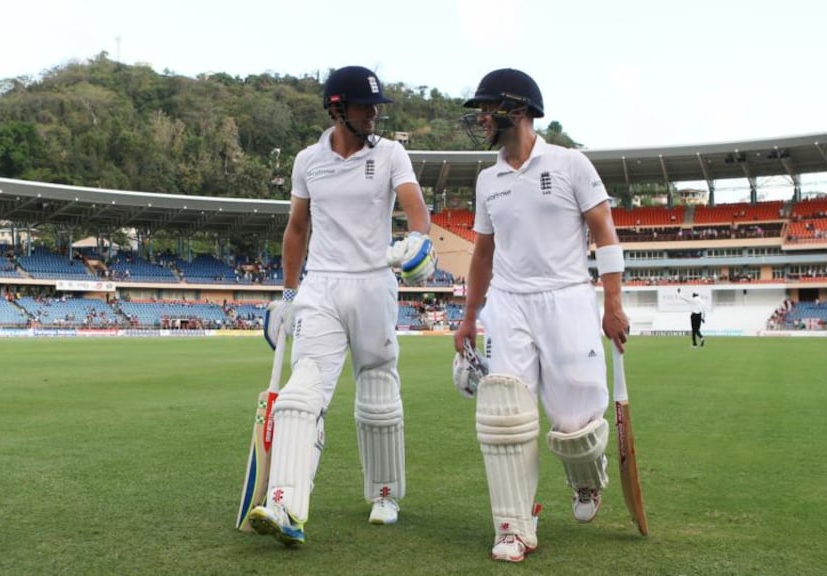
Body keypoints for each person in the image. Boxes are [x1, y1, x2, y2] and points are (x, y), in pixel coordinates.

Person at [246, 65, 436, 546]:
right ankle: (285, 504)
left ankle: (385, 495)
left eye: (376, 107)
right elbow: (297, 228)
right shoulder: (308, 160)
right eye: (364, 106)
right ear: (337, 108)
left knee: (377, 390)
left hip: (374, 281)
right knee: (301, 392)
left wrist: (418, 238)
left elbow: (415, 206)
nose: (373, 114)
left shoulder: (390, 153)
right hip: (322, 285)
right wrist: (288, 295)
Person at [452, 68, 630, 563]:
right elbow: (483, 253)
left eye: (489, 108)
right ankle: (514, 525)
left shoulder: (570, 163)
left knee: (576, 423)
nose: (482, 118)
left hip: (567, 296)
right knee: (506, 413)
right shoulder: (488, 179)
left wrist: (613, 303)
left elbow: (605, 231)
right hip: (509, 302)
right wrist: (469, 317)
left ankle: (586, 479)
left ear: (519, 109)